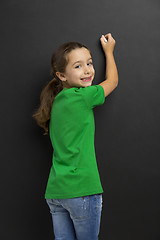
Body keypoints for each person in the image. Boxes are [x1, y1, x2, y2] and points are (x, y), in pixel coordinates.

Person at [32, 33, 118, 240]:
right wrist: (109, 51)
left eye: (89, 63)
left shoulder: (56, 102)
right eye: (78, 66)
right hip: (82, 190)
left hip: (56, 192)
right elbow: (112, 81)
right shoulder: (83, 97)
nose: (87, 70)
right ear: (61, 75)